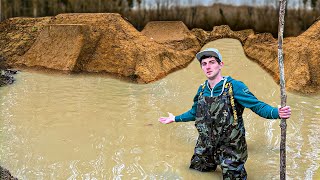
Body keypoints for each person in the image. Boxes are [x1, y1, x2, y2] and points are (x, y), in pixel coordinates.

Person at [158, 48, 291, 179]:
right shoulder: (202, 89)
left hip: (231, 148)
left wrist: (276, 112)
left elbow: (257, 106)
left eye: (212, 62)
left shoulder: (235, 86)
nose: (208, 67)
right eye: (204, 64)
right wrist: (175, 118)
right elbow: (194, 112)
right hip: (205, 146)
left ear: (220, 65)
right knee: (196, 173)